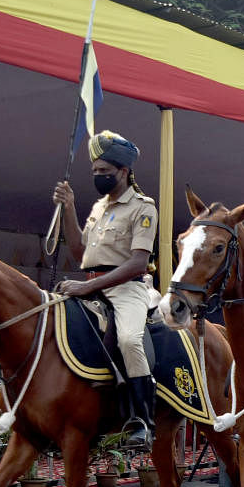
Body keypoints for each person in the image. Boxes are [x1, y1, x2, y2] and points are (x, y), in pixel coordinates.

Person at [54, 130, 158, 447]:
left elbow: (139, 263)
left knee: (128, 339)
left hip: (127, 288)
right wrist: (69, 207)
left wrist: (89, 287)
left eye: (104, 172)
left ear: (123, 171)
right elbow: (78, 251)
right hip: (91, 285)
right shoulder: (99, 208)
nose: (98, 176)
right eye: (95, 172)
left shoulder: (143, 207)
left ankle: (142, 420)